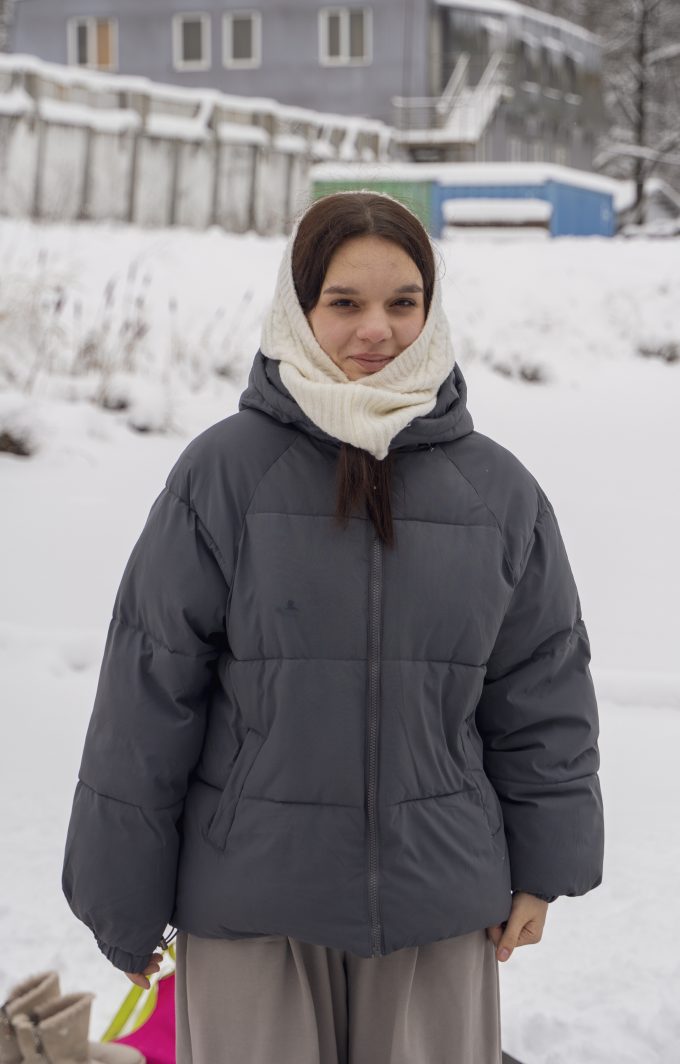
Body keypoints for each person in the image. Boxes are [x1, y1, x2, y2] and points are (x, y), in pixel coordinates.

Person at [62, 192, 604, 1064]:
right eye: (344, 302)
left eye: (403, 302)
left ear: (431, 312)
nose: (376, 330)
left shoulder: (499, 492)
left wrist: (545, 865)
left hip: (437, 909)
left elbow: (541, 690)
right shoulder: (222, 475)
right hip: (251, 911)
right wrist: (120, 897)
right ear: (299, 309)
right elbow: (148, 695)